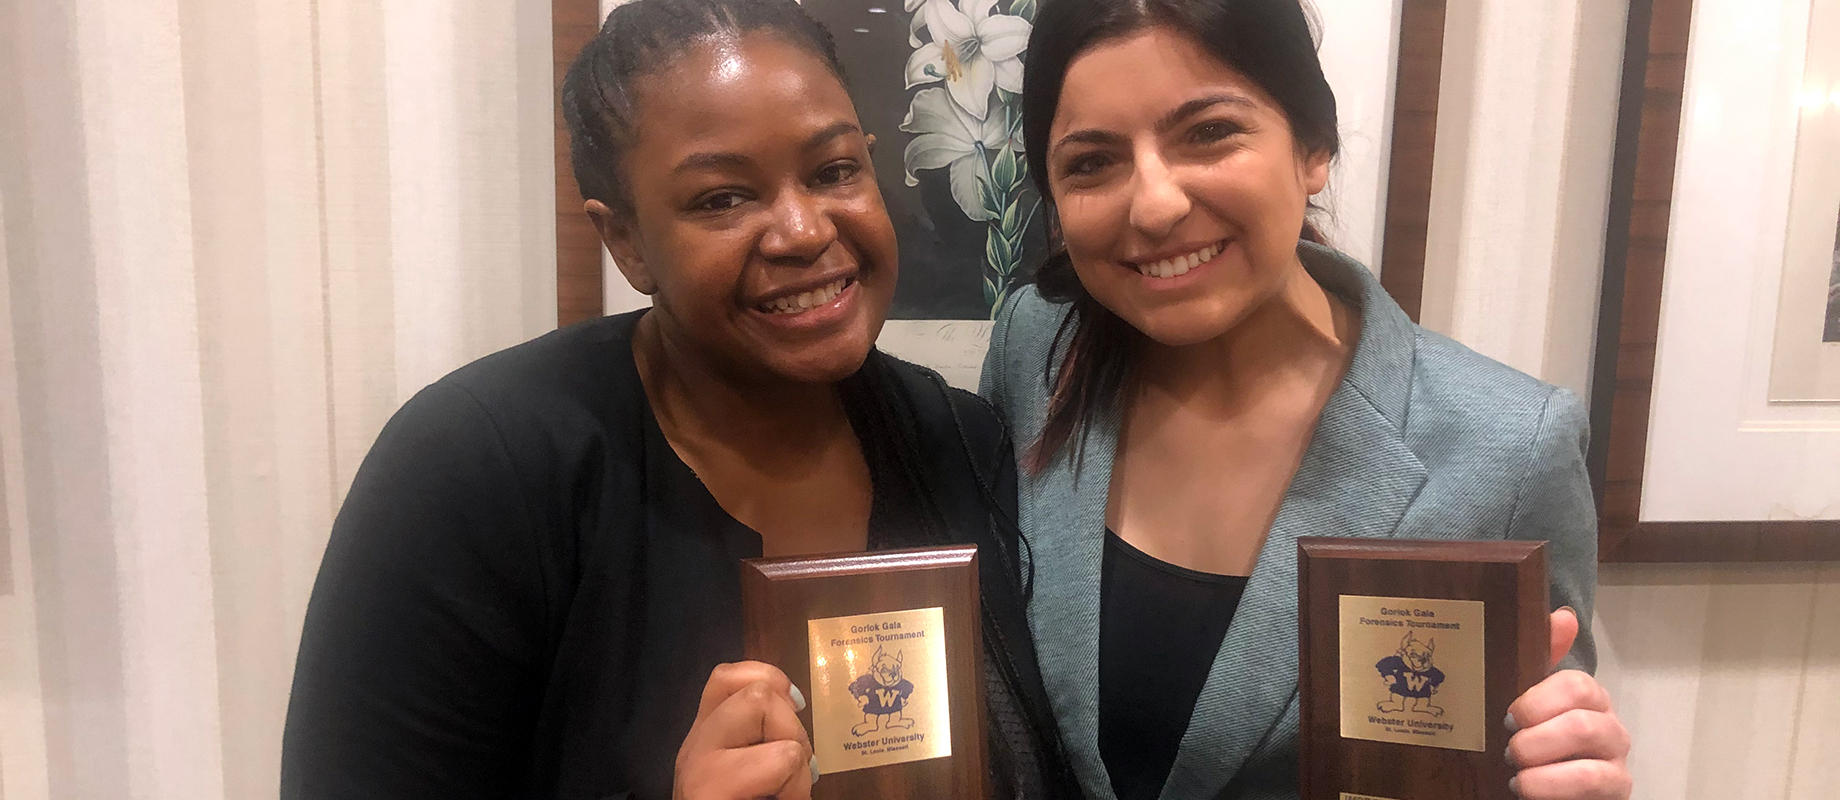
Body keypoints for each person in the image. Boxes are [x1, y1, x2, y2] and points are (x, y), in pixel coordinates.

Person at [280, 1, 1076, 797]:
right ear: (624, 241)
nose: (802, 230)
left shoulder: (957, 441)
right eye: (722, 199)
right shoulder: (473, 472)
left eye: (834, 171)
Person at [978, 0, 1633, 798]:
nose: (1153, 205)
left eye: (1209, 132)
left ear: (1313, 145)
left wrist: (1564, 768)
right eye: (1091, 163)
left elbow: (1524, 752)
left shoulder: (1508, 451)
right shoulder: (1039, 352)